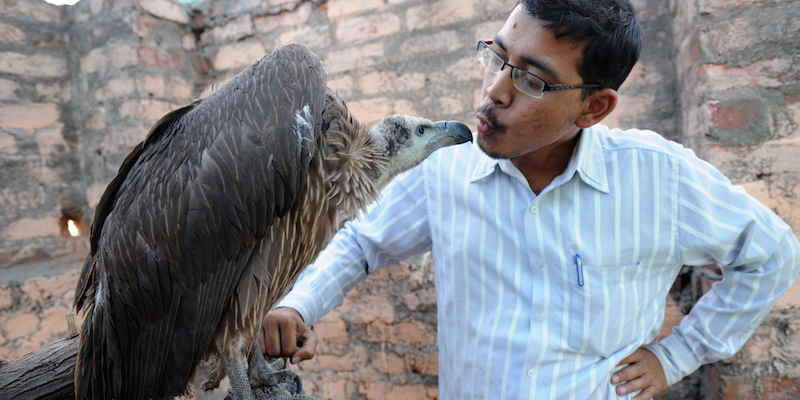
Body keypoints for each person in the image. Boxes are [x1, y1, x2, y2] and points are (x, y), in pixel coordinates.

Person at [259, 0, 800, 398]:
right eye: (496, 57)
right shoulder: (447, 167)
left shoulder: (661, 181)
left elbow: (773, 254)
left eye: (533, 81)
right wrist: (298, 302)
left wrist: (676, 356)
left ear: (594, 108)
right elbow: (361, 242)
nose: (496, 88)